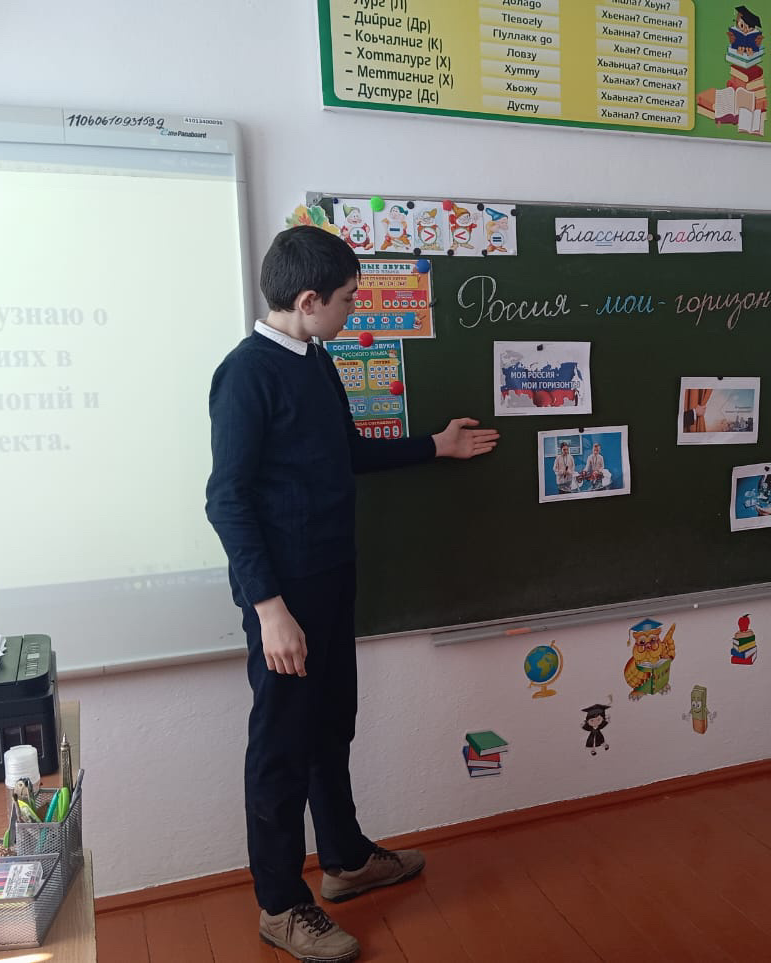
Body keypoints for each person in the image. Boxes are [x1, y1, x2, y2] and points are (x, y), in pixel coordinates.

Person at [205, 226, 499, 961]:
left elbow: (347, 452)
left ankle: (344, 859)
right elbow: (226, 500)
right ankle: (280, 904)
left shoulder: (317, 359)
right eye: (346, 300)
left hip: (334, 576)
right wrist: (269, 609)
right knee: (280, 748)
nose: (352, 311)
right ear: (308, 301)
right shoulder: (245, 375)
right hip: (285, 599)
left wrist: (435, 446)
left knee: (332, 724)